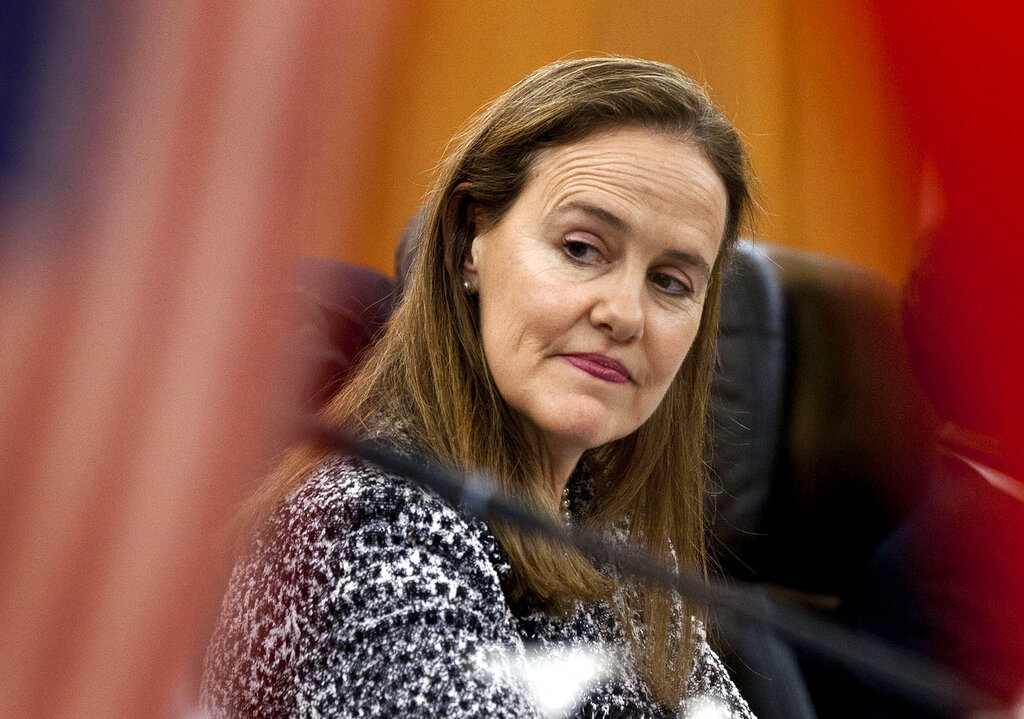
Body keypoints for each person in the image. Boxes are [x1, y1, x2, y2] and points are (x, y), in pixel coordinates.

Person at [202, 56, 756, 718]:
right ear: (470, 243)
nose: (625, 313)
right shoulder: (367, 521)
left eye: (670, 281)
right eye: (582, 249)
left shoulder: (608, 523)